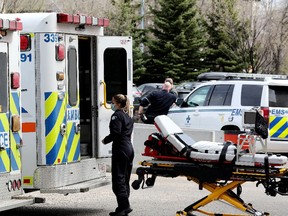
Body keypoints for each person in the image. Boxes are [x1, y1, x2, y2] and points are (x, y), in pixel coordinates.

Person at [102, 94, 134, 216]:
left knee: (118, 179)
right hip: (129, 148)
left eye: (113, 102)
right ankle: (122, 207)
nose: (111, 104)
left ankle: (125, 206)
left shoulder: (117, 115)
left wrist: (105, 140)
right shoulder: (128, 115)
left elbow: (116, 133)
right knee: (125, 178)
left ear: (118, 104)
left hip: (120, 148)